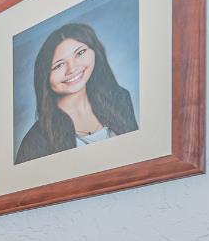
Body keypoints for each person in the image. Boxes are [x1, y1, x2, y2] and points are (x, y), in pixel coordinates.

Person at [15, 21, 138, 164]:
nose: (72, 69)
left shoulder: (120, 98)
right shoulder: (35, 139)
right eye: (59, 65)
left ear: (95, 51)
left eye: (80, 53)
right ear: (45, 77)